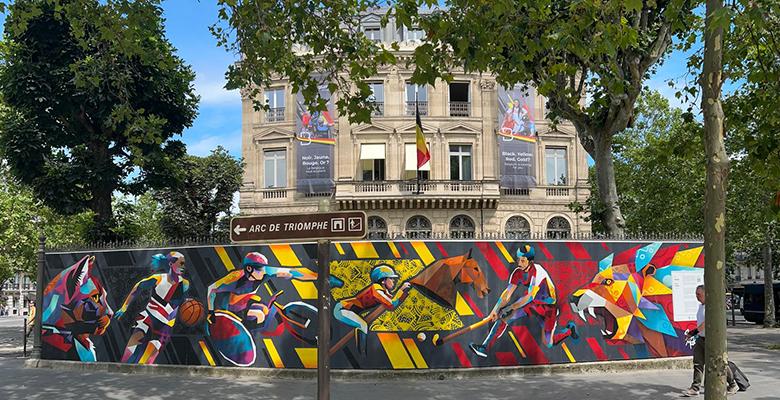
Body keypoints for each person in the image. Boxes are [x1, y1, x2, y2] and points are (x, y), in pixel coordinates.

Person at [469, 244, 577, 357]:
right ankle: (484, 348)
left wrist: (509, 308)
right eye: (518, 259)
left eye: (523, 260)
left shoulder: (538, 271)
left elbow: (529, 296)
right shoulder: (517, 272)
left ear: (530, 261)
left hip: (548, 308)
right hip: (533, 304)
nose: (519, 263)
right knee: (504, 318)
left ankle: (570, 330)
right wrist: (495, 310)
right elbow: (507, 294)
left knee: (549, 343)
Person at [206, 251, 324, 329]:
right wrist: (210, 311)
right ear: (249, 268)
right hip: (234, 308)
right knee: (260, 313)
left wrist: (318, 276)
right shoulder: (234, 278)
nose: (263, 272)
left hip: (248, 302)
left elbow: (292, 272)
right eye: (260, 269)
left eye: (264, 269)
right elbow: (211, 290)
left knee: (264, 312)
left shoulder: (265, 272)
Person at [115, 251, 189, 364]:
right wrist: (124, 308)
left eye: (184, 264)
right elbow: (137, 287)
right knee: (128, 356)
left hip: (165, 327)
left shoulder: (185, 284)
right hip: (148, 318)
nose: (183, 266)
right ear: (170, 264)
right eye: (181, 263)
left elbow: (179, 304)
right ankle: (120, 370)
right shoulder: (158, 279)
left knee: (147, 362)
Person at [333, 264, 411, 354]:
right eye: (391, 278)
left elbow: (394, 301)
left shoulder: (384, 291)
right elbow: (391, 305)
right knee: (363, 325)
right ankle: (362, 354)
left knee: (362, 325)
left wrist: (403, 292)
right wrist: (401, 289)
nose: (394, 281)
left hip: (350, 310)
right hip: (342, 309)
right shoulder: (376, 289)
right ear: (383, 281)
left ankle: (361, 353)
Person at [682, 284, 740, 397]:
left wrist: (693, 333)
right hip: (701, 339)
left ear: (705, 294)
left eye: (698, 294)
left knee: (720, 362)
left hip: (711, 340)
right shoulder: (700, 306)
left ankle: (733, 384)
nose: (696, 297)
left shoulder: (711, 307)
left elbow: (705, 323)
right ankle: (695, 387)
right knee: (698, 363)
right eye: (695, 294)